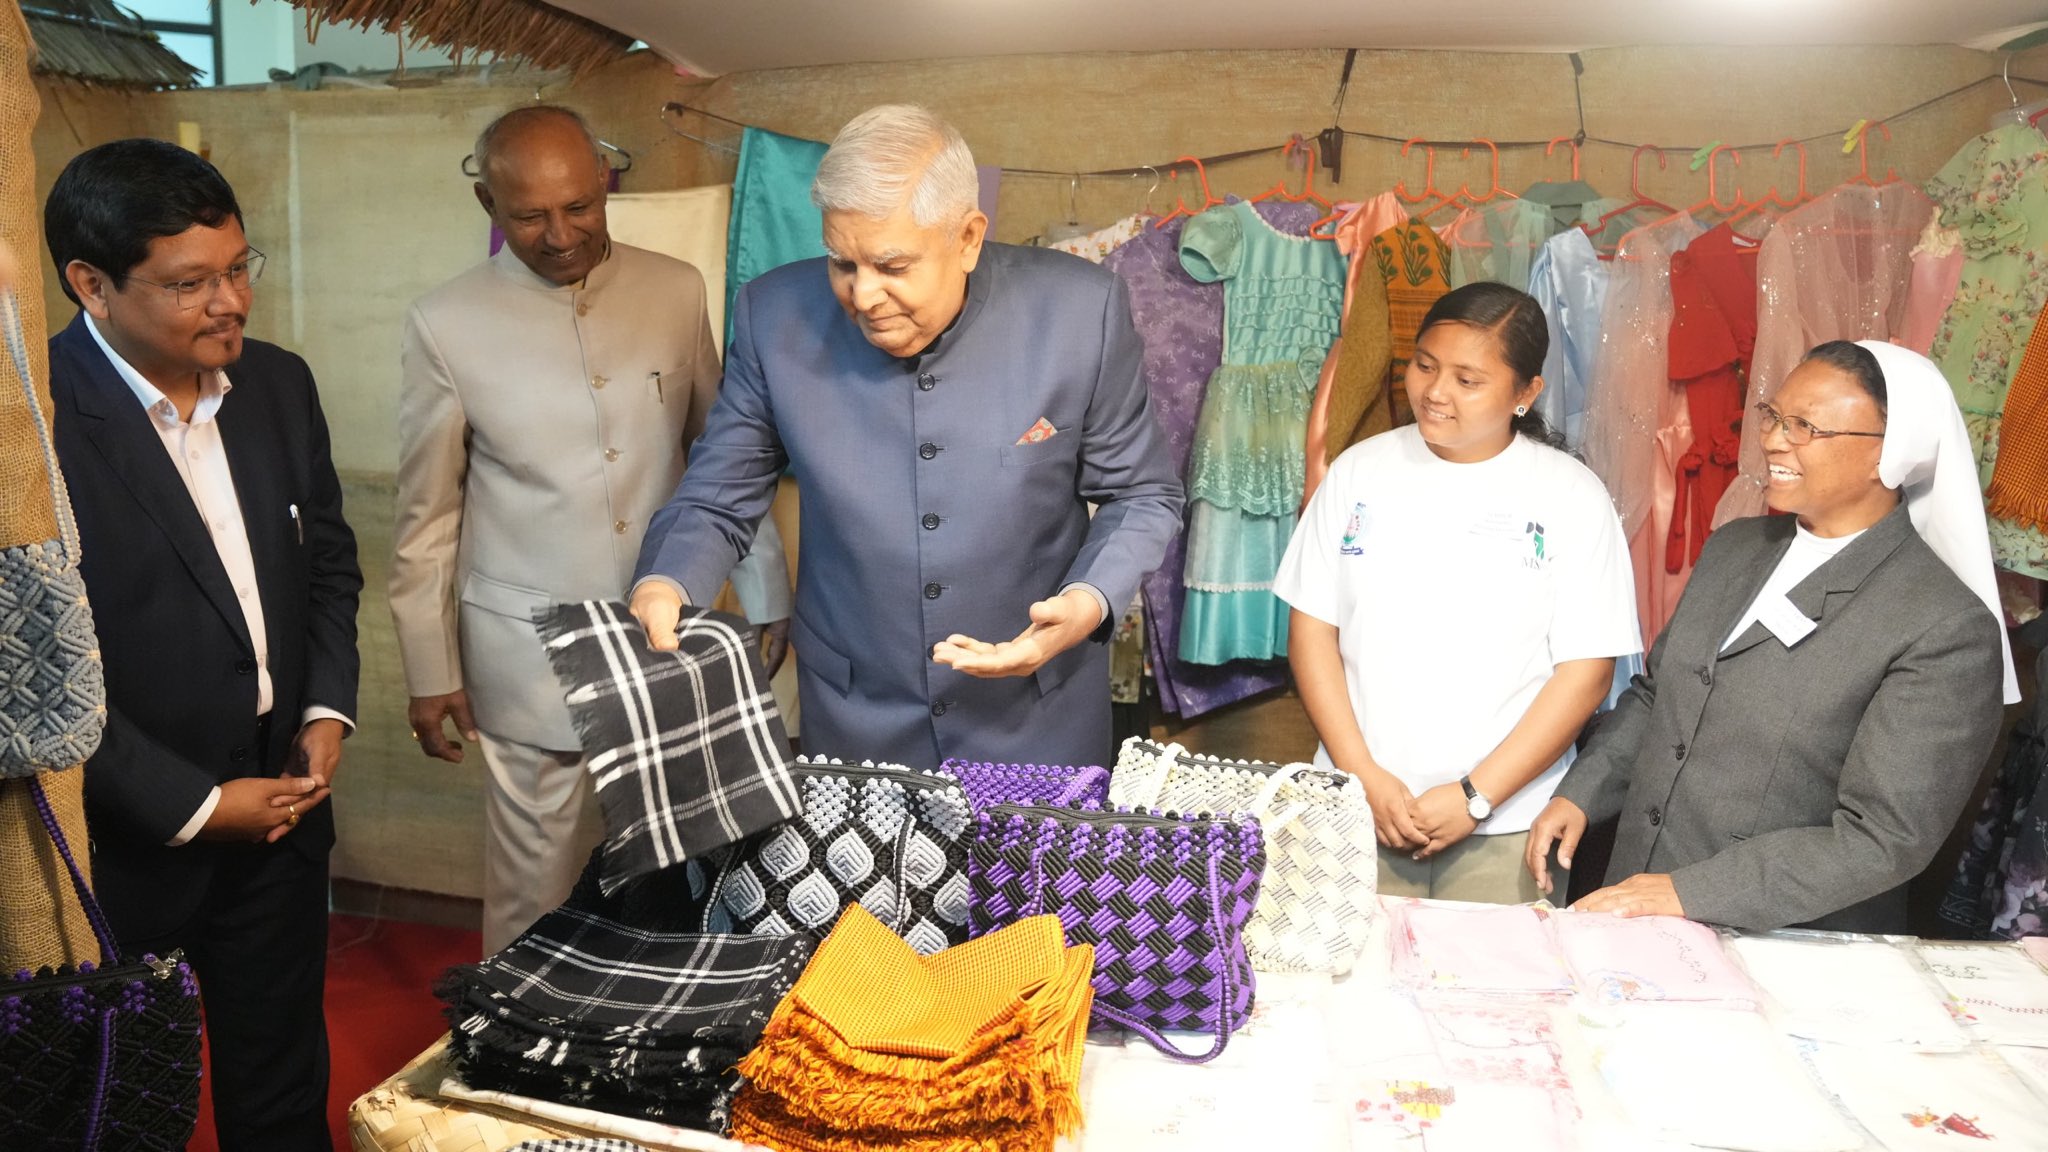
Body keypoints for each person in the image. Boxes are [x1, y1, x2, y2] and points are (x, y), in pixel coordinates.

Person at [630, 104, 1182, 771]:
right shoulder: (773, 318)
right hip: (856, 718)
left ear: (969, 238)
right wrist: (665, 581)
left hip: (1037, 716)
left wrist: (1087, 601)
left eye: (892, 266)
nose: (863, 296)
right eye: (842, 264)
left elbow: (1142, 494)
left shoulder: (1078, 313)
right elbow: (717, 497)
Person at [389, 104, 793, 954]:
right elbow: (428, 516)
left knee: (675, 870)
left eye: (580, 206)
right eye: (530, 215)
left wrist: (763, 588)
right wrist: (431, 669)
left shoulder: (675, 288)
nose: (561, 233)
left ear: (604, 186)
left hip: (669, 639)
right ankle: (512, 1044)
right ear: (488, 208)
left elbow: (722, 453)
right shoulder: (445, 323)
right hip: (528, 656)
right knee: (533, 891)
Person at [44, 139, 361, 1150]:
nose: (231, 302)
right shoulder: (31, 423)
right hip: (121, 842)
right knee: (122, 1110)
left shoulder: (276, 385)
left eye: (239, 268)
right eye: (189, 284)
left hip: (281, 813)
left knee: (280, 1094)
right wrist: (187, 804)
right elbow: (33, 667)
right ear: (91, 285)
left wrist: (322, 713)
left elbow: (328, 568)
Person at [1530, 340, 2016, 933]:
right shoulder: (1736, 547)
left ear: (1888, 455)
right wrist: (1583, 792)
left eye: (1806, 426)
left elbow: (1882, 838)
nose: (1774, 440)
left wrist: (1690, 891)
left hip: (1785, 942)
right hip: (1638, 906)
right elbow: (1661, 693)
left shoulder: (1943, 626)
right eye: (1774, 416)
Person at [1275, 282, 1640, 904]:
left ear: (1526, 394)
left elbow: (1585, 673)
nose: (1436, 393)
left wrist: (1477, 795)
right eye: (1425, 365)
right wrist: (1361, 774)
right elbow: (1313, 631)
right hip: (1354, 808)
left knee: (1496, 998)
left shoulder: (1571, 496)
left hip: (1508, 825)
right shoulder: (1359, 472)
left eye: (1468, 380)